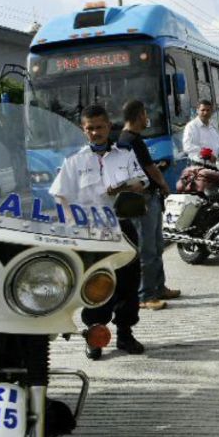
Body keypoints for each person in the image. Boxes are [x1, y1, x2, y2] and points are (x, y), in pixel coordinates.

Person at [49, 105, 149, 359]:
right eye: (90, 128)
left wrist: (129, 186)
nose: (96, 132)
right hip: (91, 231)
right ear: (84, 130)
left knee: (128, 284)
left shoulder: (124, 155)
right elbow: (60, 196)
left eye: (100, 127)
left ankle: (125, 334)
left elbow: (142, 181)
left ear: (109, 127)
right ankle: (94, 338)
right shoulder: (74, 161)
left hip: (121, 228)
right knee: (95, 286)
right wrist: (73, 224)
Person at [118, 100, 182, 311]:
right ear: (139, 116)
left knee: (157, 246)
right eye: (145, 114)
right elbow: (149, 168)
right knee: (146, 249)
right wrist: (164, 184)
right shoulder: (129, 140)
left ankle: (159, 287)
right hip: (142, 200)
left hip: (149, 197)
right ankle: (145, 295)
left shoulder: (132, 139)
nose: (147, 119)